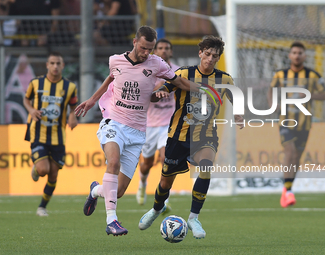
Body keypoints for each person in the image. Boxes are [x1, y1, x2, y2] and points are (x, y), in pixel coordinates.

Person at [75, 26, 207, 236]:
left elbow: (178, 82)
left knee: (116, 192)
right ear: (135, 42)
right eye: (144, 48)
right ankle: (112, 221)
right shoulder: (115, 60)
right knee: (113, 161)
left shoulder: (157, 64)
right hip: (114, 122)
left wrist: (201, 89)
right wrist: (92, 100)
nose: (147, 53)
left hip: (137, 131)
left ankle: (95, 190)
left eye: (150, 49)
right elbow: (110, 78)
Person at [138, 35, 244, 239]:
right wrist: (159, 93)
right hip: (178, 135)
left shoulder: (224, 79)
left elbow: (235, 95)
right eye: (207, 54)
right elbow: (162, 89)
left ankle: (194, 218)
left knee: (205, 168)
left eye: (215, 56)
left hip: (206, 136)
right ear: (200, 53)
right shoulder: (183, 73)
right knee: (165, 181)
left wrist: (238, 112)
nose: (211, 59)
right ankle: (156, 209)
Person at [267, 42, 325, 208]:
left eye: (300, 52)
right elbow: (271, 90)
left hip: (304, 123)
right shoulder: (280, 74)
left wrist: (309, 95)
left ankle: (288, 189)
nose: (297, 55)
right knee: (290, 150)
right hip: (285, 120)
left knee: (296, 157)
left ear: (304, 55)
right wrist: (273, 105)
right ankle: (288, 191)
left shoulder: (312, 75)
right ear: (290, 55)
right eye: (294, 52)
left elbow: (323, 95)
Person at [23, 51, 78, 216]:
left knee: (53, 175)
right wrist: (32, 110)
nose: (55, 66)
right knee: (43, 170)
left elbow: (73, 105)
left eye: (58, 63)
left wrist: (72, 115)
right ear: (47, 65)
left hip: (58, 135)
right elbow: (26, 99)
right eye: (52, 63)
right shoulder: (36, 83)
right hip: (38, 132)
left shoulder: (70, 87)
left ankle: (42, 207)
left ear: (63, 66)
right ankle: (36, 168)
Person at [136, 38, 179, 207]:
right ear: (154, 51)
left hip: (169, 124)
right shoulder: (147, 71)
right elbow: (140, 95)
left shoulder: (177, 71)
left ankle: (164, 199)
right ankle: (142, 183)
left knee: (165, 159)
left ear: (171, 52)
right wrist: (160, 86)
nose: (163, 50)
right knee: (147, 164)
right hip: (149, 124)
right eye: (160, 48)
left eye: (167, 48)